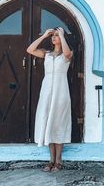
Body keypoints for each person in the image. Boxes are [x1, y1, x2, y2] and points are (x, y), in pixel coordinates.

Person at [26, 27, 72, 172]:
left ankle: (58, 160)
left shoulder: (67, 55)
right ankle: (51, 159)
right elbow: (30, 49)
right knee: (47, 122)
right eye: (53, 36)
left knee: (58, 123)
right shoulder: (47, 54)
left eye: (56, 36)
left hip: (61, 92)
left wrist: (63, 36)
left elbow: (66, 53)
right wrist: (45, 35)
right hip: (46, 92)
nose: (54, 38)